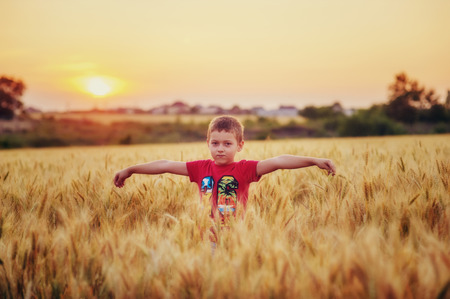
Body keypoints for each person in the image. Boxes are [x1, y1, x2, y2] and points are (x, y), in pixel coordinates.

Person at [114, 115, 336, 226]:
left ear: (240, 146)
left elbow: (278, 161)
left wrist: (314, 160)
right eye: (215, 143)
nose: (220, 149)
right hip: (205, 235)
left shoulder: (245, 169)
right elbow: (165, 165)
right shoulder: (200, 168)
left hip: (235, 235)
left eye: (227, 144)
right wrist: (131, 169)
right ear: (208, 142)